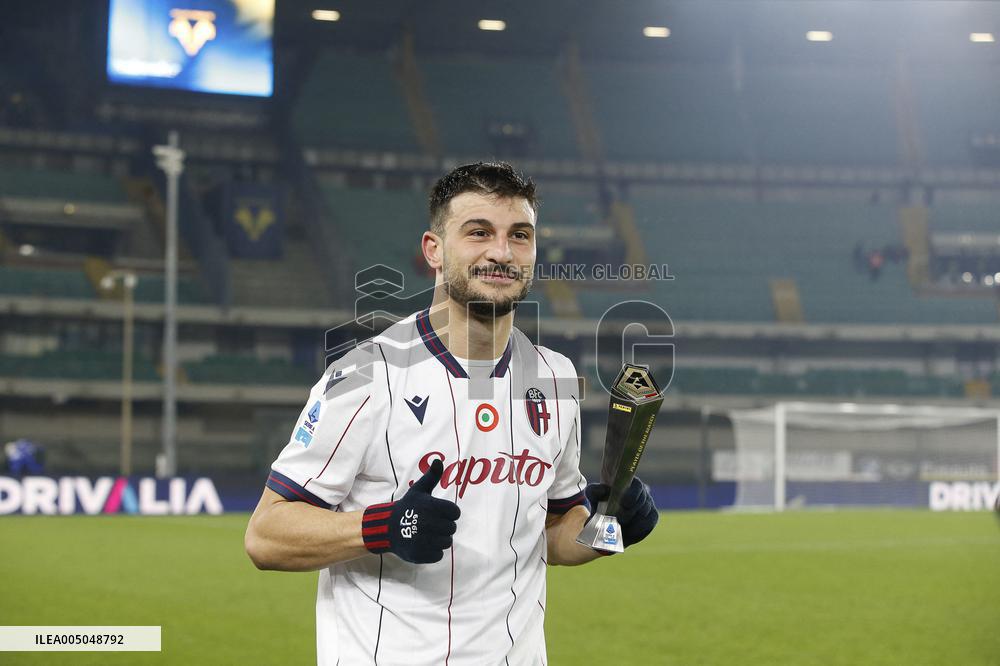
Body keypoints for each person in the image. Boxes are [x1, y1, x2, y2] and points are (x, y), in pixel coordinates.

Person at [244, 162, 659, 665]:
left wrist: (612, 529)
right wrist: (384, 528)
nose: (501, 252)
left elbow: (549, 534)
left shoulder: (555, 378)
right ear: (433, 250)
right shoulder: (365, 376)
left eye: (519, 236)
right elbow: (266, 536)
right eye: (478, 232)